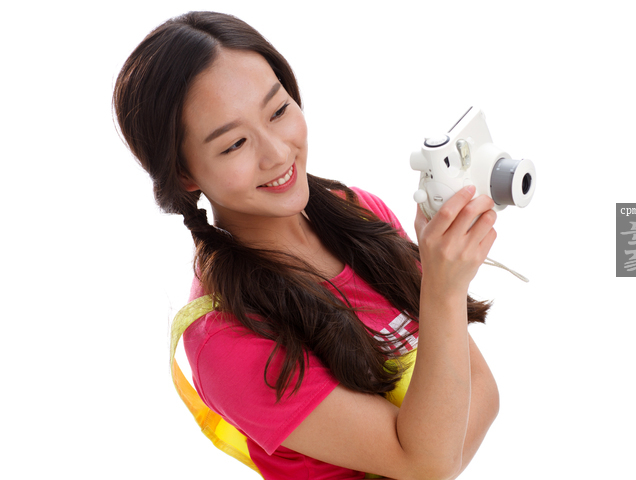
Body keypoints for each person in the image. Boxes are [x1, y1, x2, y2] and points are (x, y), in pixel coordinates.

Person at [114, 11, 499, 480]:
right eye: (234, 144)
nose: (278, 153)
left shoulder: (357, 211)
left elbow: (483, 392)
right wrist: (442, 291)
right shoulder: (223, 337)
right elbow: (428, 463)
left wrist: (431, 449)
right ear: (184, 174)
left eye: (278, 111)